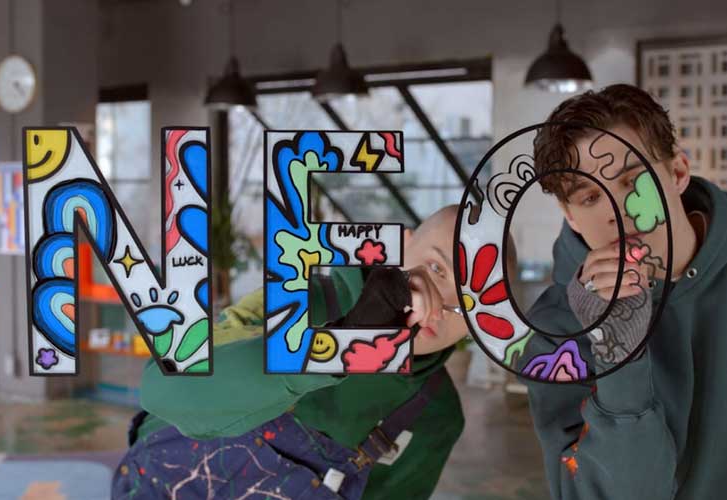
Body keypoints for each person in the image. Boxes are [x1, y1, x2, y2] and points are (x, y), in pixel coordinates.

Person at [113, 205, 487, 500]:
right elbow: (166, 388)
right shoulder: (293, 299)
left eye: (472, 296)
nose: (444, 302)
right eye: (437, 267)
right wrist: (342, 343)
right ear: (400, 246)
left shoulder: (437, 415)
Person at [522, 84, 727, 499]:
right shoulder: (555, 333)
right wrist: (618, 357)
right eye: (590, 197)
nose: (617, 213)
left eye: (633, 181)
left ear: (677, 172)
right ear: (570, 215)